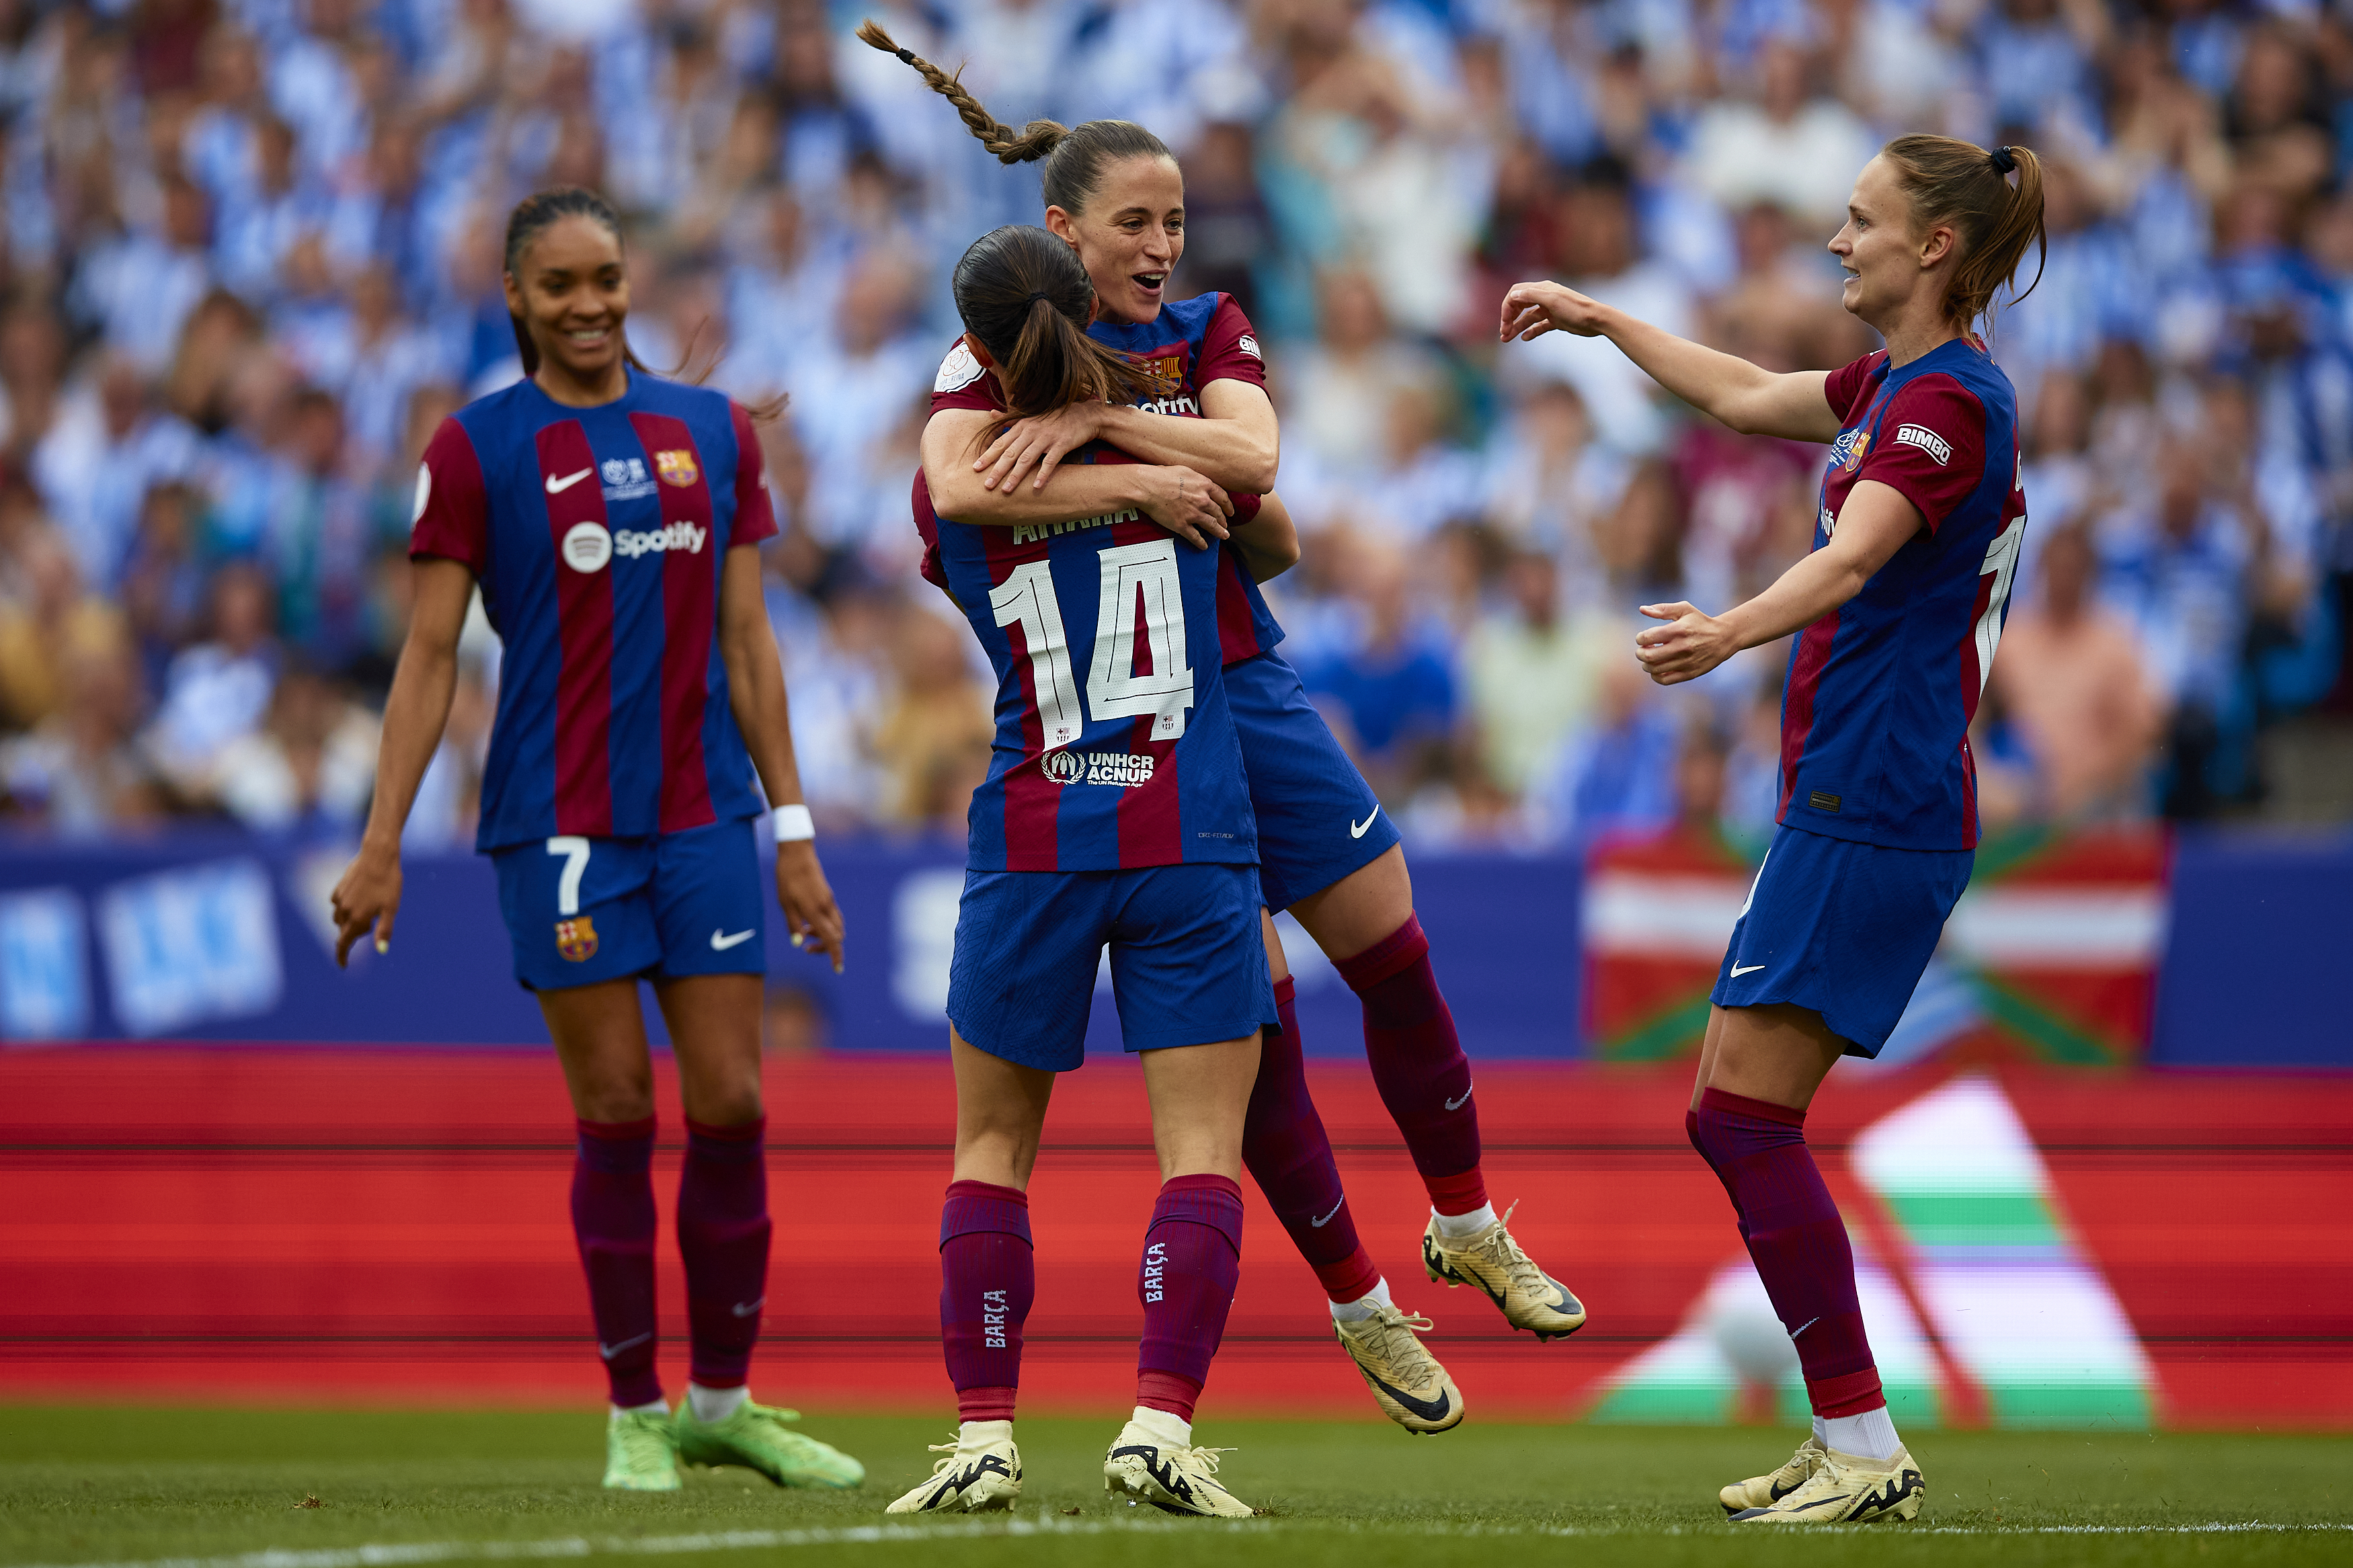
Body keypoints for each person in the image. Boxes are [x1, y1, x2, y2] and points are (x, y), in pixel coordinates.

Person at [863, 20, 1584, 1412]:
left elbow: (1260, 470)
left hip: (1244, 683)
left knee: (1392, 942)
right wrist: (1130, 459)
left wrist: (1094, 429)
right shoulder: (983, 358)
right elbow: (952, 480)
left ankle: (1467, 1221)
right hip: (1138, 716)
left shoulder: (1207, 329)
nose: (1162, 246)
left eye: (1176, 220)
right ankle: (1361, 1306)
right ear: (1061, 231)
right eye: (1134, 222)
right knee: (1243, 1034)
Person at [1503, 135, 2047, 1525]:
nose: (1833, 242)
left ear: (1934, 247)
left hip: (1879, 799)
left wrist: (1727, 632)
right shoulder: (1888, 391)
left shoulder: (1950, 408)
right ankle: (1849, 1432)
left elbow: (1857, 553)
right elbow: (1745, 395)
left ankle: (1863, 1445)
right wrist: (1602, 319)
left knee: (1740, 1117)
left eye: (1859, 223)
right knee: (1736, 1114)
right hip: (1849, 799)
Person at [327, 187, 863, 1497]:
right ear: (516, 296)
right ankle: (632, 1408)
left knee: (732, 1102)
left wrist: (792, 829)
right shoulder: (475, 449)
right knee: (618, 1107)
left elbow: (748, 645)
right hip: (554, 823)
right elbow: (428, 655)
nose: (588, 304)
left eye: (606, 279)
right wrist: (382, 840)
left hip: (701, 816)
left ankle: (720, 1403)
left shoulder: (711, 433)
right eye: (559, 284)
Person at [886, 224, 1272, 1520]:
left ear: (982, 351)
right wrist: (1142, 460)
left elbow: (952, 529)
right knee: (1202, 1147)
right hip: (1188, 823)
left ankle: (983, 1437)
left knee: (991, 1144)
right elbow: (1272, 546)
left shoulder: (973, 473)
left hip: (1035, 825)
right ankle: (1160, 1420)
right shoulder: (1184, 460)